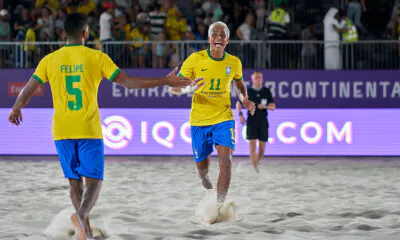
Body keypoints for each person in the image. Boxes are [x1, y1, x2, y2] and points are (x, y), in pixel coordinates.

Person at [8, 13, 201, 240]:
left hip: (61, 130)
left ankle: (85, 230)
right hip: (88, 128)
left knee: (73, 180)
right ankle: (81, 217)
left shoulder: (50, 60)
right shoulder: (97, 57)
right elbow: (127, 82)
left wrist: (16, 107)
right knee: (94, 181)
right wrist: (163, 80)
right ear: (85, 34)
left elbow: (29, 88)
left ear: (63, 34)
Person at [168, 21, 256, 208]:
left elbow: (239, 85)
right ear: (209, 39)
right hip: (199, 121)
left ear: (227, 40)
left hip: (223, 118)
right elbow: (174, 89)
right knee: (202, 168)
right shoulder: (195, 59)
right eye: (214, 34)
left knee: (226, 161)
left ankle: (218, 205)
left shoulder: (234, 62)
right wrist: (188, 88)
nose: (218, 37)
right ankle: (204, 177)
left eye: (222, 34)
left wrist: (244, 99)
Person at [236, 71, 275, 173]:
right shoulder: (248, 92)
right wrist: (240, 115)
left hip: (263, 121)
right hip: (251, 120)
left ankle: (255, 163)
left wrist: (265, 106)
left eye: (260, 77)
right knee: (252, 143)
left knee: (262, 147)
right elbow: (239, 104)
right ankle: (255, 168)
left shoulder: (266, 91)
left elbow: (273, 107)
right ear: (252, 79)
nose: (258, 79)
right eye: (256, 77)